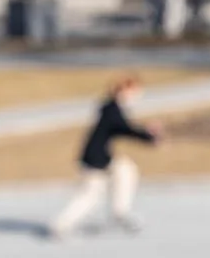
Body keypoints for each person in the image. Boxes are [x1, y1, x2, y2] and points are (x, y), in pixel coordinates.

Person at [48, 76, 160, 239]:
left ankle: (120, 212)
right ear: (123, 91)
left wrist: (147, 135)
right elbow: (123, 128)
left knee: (124, 170)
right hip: (95, 158)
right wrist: (147, 136)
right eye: (134, 93)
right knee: (91, 194)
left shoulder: (111, 108)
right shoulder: (111, 109)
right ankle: (60, 226)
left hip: (100, 156)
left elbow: (123, 128)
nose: (136, 97)